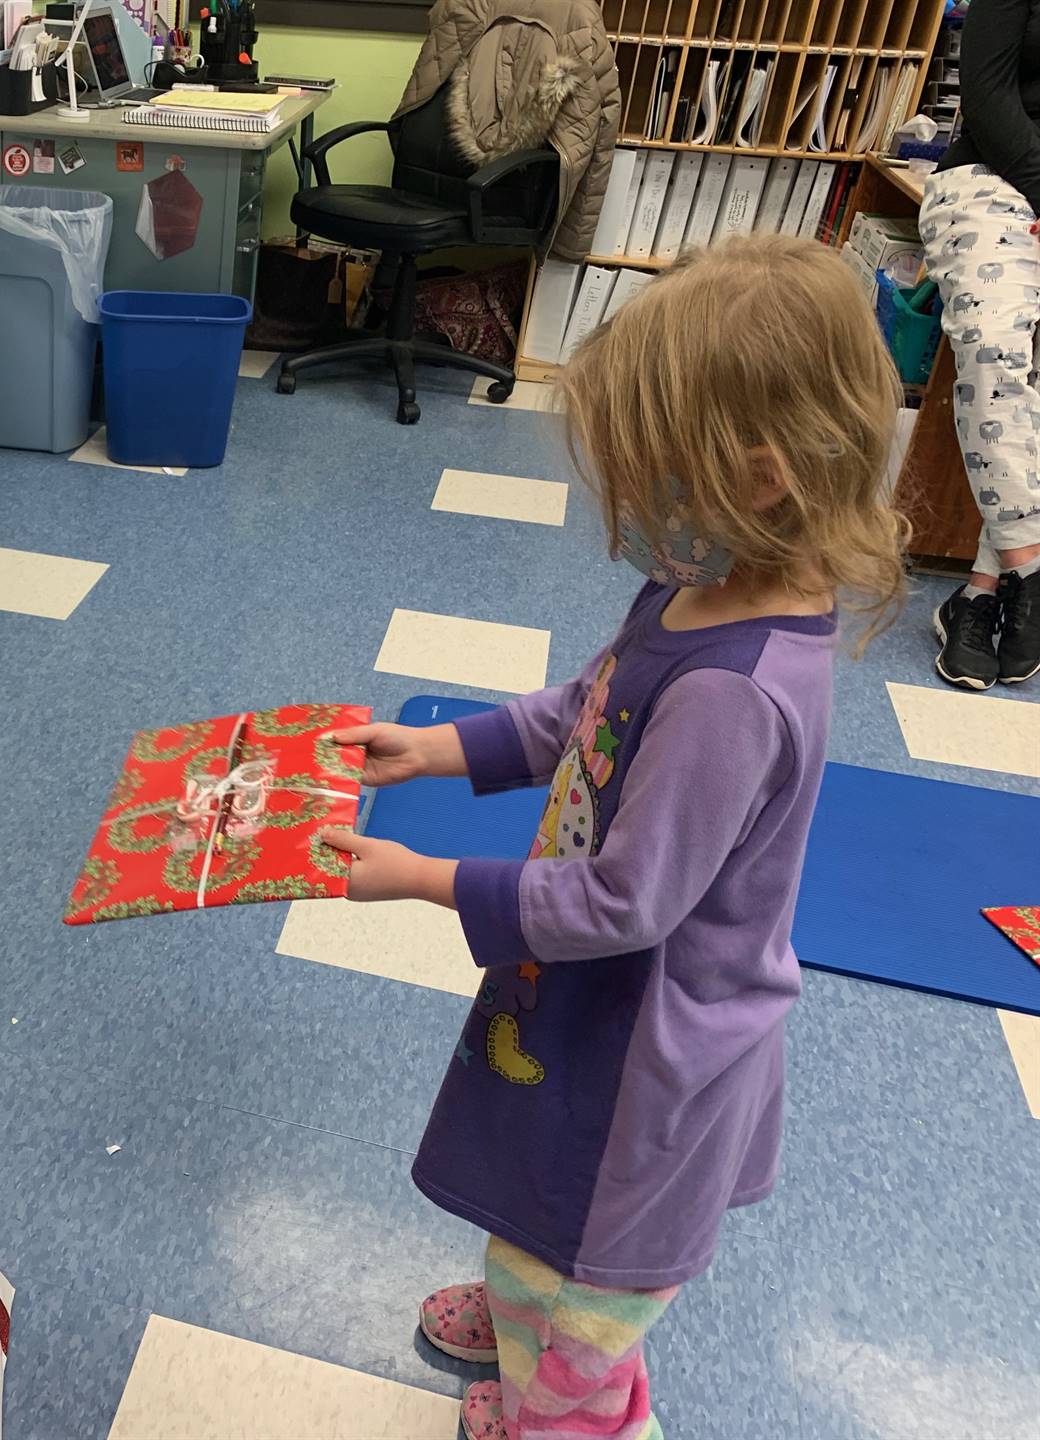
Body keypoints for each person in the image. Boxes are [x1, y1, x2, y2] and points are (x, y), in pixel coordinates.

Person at [323, 235, 906, 1440]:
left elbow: (625, 904)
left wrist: (427, 880)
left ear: (755, 476)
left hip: (647, 1045)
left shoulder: (732, 696)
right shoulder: (701, 586)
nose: (620, 512)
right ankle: (535, 1297)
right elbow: (584, 712)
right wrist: (443, 749)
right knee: (536, 1167)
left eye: (645, 479)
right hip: (594, 1005)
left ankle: (567, 1387)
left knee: (590, 1256)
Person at [918, 0, 1040, 689]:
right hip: (990, 182)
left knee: (1033, 384)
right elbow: (988, 99)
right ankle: (1032, 571)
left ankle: (982, 595)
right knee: (995, 349)